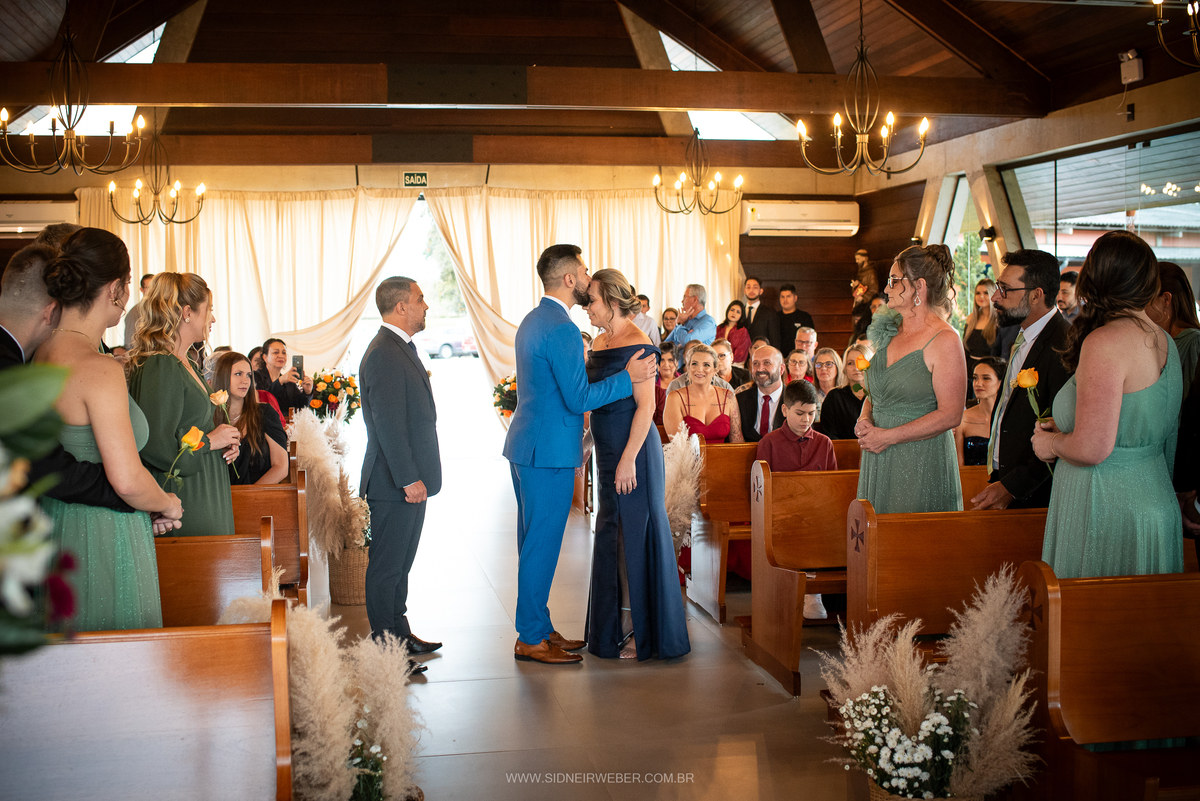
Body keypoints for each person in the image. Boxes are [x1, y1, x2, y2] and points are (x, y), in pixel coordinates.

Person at [504, 245, 656, 665]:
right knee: (541, 546)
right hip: (548, 452)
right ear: (570, 278)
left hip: (527, 446)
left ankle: (539, 626)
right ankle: (530, 637)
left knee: (532, 542)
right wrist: (627, 378)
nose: (589, 278)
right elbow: (578, 399)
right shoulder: (563, 329)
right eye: (585, 271)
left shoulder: (534, 320)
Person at [36, 228, 182, 631]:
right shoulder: (98, 369)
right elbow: (128, 480)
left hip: (52, 524)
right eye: (129, 285)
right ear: (115, 289)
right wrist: (167, 503)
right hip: (100, 533)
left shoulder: (38, 355)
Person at [1034, 231, 1183, 578]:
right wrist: (1071, 425)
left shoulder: (1105, 342)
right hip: (1154, 496)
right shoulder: (1165, 340)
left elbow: (1092, 448)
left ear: (1094, 277)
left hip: (1106, 506)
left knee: (1095, 609)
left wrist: (1051, 443)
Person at [581, 269, 690, 661]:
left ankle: (636, 627)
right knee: (611, 534)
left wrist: (628, 459)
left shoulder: (640, 344)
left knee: (634, 536)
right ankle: (612, 625)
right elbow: (599, 400)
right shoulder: (600, 341)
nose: (586, 308)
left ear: (612, 301)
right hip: (608, 452)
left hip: (635, 453)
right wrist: (589, 441)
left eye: (591, 301)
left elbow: (646, 408)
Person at [357, 278, 444, 669]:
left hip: (407, 480)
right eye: (420, 300)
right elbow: (388, 424)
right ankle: (386, 648)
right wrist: (408, 478)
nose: (426, 306)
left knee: (401, 566)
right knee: (386, 568)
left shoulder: (398, 347)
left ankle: (400, 633)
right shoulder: (383, 353)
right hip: (393, 482)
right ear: (401, 307)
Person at [127, 273, 241, 537]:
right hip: (185, 492)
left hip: (206, 483)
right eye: (209, 310)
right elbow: (156, 444)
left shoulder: (187, 361)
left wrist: (224, 444)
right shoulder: (161, 364)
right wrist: (211, 441)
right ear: (188, 312)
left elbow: (191, 428)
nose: (213, 319)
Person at [855, 245, 966, 513]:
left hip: (920, 459)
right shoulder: (889, 329)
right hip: (878, 452)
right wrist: (864, 417)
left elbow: (952, 414)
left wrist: (889, 437)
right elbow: (877, 389)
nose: (887, 288)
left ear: (919, 286)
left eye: (894, 280)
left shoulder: (945, 340)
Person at [971, 250, 1072, 510]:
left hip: (1036, 495)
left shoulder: (1063, 345)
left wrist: (1013, 487)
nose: (995, 297)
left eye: (1005, 289)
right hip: (1006, 478)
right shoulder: (1023, 335)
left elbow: (1061, 430)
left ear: (1036, 295)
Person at [755, 379, 838, 620]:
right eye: (800, 413)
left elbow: (833, 487)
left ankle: (813, 592)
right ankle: (795, 592)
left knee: (825, 527)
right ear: (785, 410)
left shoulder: (824, 443)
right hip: (780, 515)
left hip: (816, 517)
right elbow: (761, 492)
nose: (806, 420)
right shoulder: (769, 443)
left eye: (811, 413)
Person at [211, 351, 289, 485]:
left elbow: (281, 467)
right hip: (219, 494)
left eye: (248, 375)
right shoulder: (209, 417)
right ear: (222, 377)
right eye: (238, 374)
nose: (245, 380)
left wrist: (249, 495)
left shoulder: (264, 413)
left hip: (259, 494)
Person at [663, 343, 744, 443]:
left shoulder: (728, 397)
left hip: (724, 453)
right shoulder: (674, 398)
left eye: (706, 365)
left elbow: (737, 442)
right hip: (686, 454)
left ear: (715, 370)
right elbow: (678, 446)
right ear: (688, 367)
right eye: (694, 364)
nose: (699, 369)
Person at [1145, 261, 1200, 395]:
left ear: (1166, 299)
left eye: (1146, 299)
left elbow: (1192, 400)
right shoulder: (1158, 339)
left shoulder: (1193, 341)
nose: (1141, 307)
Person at [955, 357, 1004, 466]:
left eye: (986, 378)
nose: (978, 383)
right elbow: (959, 466)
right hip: (970, 476)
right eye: (975, 378)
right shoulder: (963, 419)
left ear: (1000, 383)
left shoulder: (1012, 417)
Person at [815, 344, 871, 441]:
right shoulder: (834, 397)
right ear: (844, 368)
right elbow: (829, 436)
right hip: (842, 449)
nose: (856, 368)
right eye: (850, 363)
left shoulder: (881, 396)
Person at [735, 346, 785, 442]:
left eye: (767, 363)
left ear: (781, 369)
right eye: (756, 363)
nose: (760, 369)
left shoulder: (795, 400)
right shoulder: (740, 400)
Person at [255, 337, 314, 417]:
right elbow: (262, 400)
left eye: (284, 353)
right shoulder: (256, 376)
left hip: (286, 423)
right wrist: (280, 381)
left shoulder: (288, 380)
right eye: (276, 352)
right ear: (265, 357)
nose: (281, 356)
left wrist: (307, 392)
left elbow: (300, 405)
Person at [961, 278, 998, 377]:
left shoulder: (998, 321)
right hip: (969, 373)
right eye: (978, 293)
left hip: (990, 374)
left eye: (986, 293)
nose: (981, 296)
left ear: (993, 294)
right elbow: (965, 350)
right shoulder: (971, 319)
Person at [744, 276, 783, 351]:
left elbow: (774, 339)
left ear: (761, 291)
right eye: (748, 287)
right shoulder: (738, 311)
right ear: (744, 291)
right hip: (741, 356)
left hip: (763, 353)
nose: (751, 290)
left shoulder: (770, 312)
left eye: (755, 287)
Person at [122, 273, 155, 347]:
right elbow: (130, 343)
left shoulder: (161, 310)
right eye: (149, 287)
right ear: (142, 290)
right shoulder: (135, 312)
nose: (153, 290)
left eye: (155, 287)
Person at [654, 343, 677, 426]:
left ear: (677, 362)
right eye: (662, 360)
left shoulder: (685, 383)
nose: (666, 364)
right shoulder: (651, 385)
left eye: (670, 360)